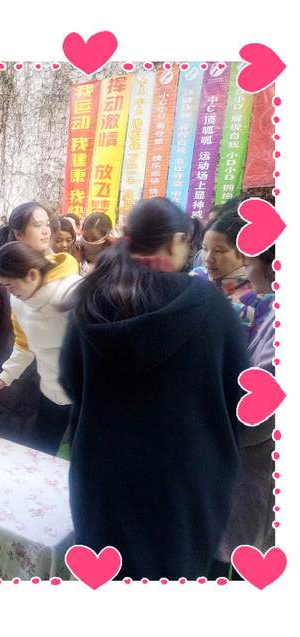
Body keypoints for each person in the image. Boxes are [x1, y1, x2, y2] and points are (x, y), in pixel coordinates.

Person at [57, 197, 249, 580]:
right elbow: (239, 397)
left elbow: (70, 381)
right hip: (185, 484)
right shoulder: (211, 306)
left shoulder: (92, 301)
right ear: (177, 241)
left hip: (104, 481)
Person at [0, 241, 81, 455]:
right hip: (50, 392)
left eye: (11, 286)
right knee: (41, 453)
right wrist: (3, 379)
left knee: (81, 457)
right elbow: (24, 346)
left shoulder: (75, 293)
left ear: (32, 275)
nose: (9, 293)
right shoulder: (18, 302)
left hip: (83, 396)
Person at [212, 244, 277, 578]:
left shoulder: (269, 312)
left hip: (253, 456)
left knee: (241, 547)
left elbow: (260, 406)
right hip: (241, 450)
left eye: (250, 263)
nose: (248, 273)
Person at [0, 202, 50, 444]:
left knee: (35, 426)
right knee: (5, 425)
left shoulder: (55, 268)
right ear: (18, 233)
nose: (45, 231)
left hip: (43, 367)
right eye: (37, 226)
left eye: (47, 224)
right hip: (9, 358)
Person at [191, 209, 252, 329]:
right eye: (205, 249)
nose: (208, 259)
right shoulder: (195, 277)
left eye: (218, 251)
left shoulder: (259, 292)